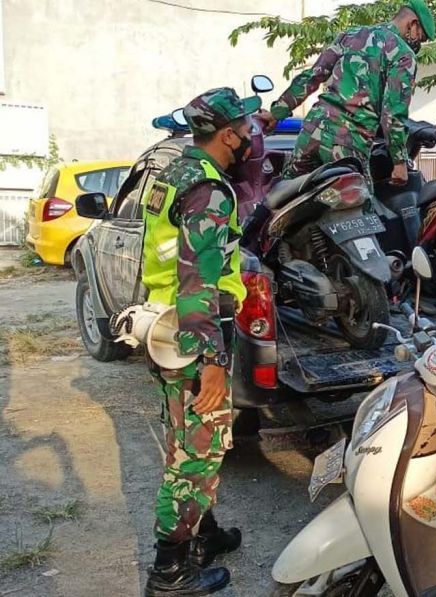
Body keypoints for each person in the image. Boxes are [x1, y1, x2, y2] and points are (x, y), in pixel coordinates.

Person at [140, 88, 257, 596]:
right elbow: (199, 279)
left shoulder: (173, 173)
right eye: (247, 128)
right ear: (228, 134)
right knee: (195, 458)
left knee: (189, 441)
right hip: (193, 335)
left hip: (167, 327)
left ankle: (201, 535)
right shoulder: (207, 190)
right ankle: (169, 572)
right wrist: (211, 358)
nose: (252, 136)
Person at [260, 1, 434, 183]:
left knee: (288, 196)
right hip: (348, 141)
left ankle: (262, 212)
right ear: (413, 24)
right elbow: (393, 113)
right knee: (359, 207)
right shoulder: (403, 55)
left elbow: (313, 76)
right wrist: (399, 162)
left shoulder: (352, 35)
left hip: (312, 131)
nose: (419, 44)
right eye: (420, 37)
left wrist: (276, 113)